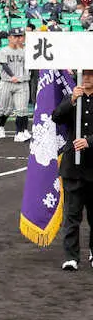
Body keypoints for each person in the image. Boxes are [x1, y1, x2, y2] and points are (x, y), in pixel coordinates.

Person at [56, 72, 93, 270]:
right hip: (73, 168)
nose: (86, 78)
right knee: (71, 214)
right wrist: (71, 99)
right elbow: (56, 117)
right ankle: (71, 256)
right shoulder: (72, 97)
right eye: (83, 74)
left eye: (90, 74)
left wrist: (89, 141)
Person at [0, 28, 30, 142]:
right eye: (15, 36)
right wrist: (12, 76)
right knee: (2, 109)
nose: (17, 38)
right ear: (9, 38)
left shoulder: (24, 51)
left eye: (19, 36)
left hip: (21, 84)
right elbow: (4, 65)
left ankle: (19, 133)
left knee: (21, 109)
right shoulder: (3, 51)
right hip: (7, 82)